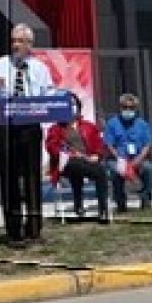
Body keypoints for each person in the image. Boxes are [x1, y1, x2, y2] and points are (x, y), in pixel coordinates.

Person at [0, 23, 55, 247]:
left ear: (29, 45)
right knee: (9, 178)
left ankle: (34, 229)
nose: (15, 45)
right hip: (6, 126)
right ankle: (13, 232)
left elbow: (48, 92)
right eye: (13, 41)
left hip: (31, 126)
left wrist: (48, 104)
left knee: (32, 177)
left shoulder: (40, 68)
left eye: (20, 41)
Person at [45, 95, 110, 223]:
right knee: (80, 166)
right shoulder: (56, 128)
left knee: (98, 170)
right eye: (69, 104)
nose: (72, 107)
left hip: (88, 162)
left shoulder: (89, 126)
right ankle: (79, 206)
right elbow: (52, 148)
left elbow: (100, 145)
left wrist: (96, 155)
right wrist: (69, 154)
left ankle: (103, 210)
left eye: (74, 104)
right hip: (65, 163)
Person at [102, 94, 152, 212]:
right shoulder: (112, 123)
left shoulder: (143, 124)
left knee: (149, 168)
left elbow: (147, 145)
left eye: (131, 108)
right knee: (116, 170)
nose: (128, 110)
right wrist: (121, 159)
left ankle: (146, 199)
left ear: (136, 109)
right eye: (125, 107)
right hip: (118, 159)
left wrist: (139, 159)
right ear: (120, 108)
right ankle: (120, 202)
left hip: (138, 159)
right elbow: (109, 145)